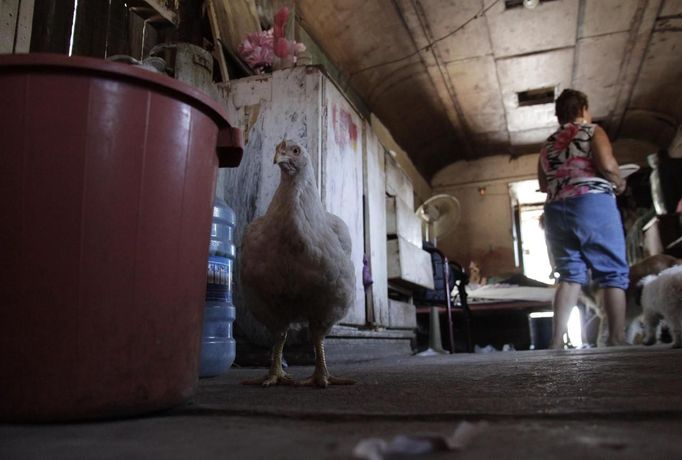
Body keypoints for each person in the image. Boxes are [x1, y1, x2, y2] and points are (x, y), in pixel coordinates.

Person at [537, 89, 629, 348]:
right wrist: (619, 182)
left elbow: (544, 183)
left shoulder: (548, 143)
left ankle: (556, 342)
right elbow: (608, 165)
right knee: (612, 272)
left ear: (558, 115)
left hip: (556, 209)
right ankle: (616, 338)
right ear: (584, 109)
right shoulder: (591, 130)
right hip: (592, 202)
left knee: (569, 275)